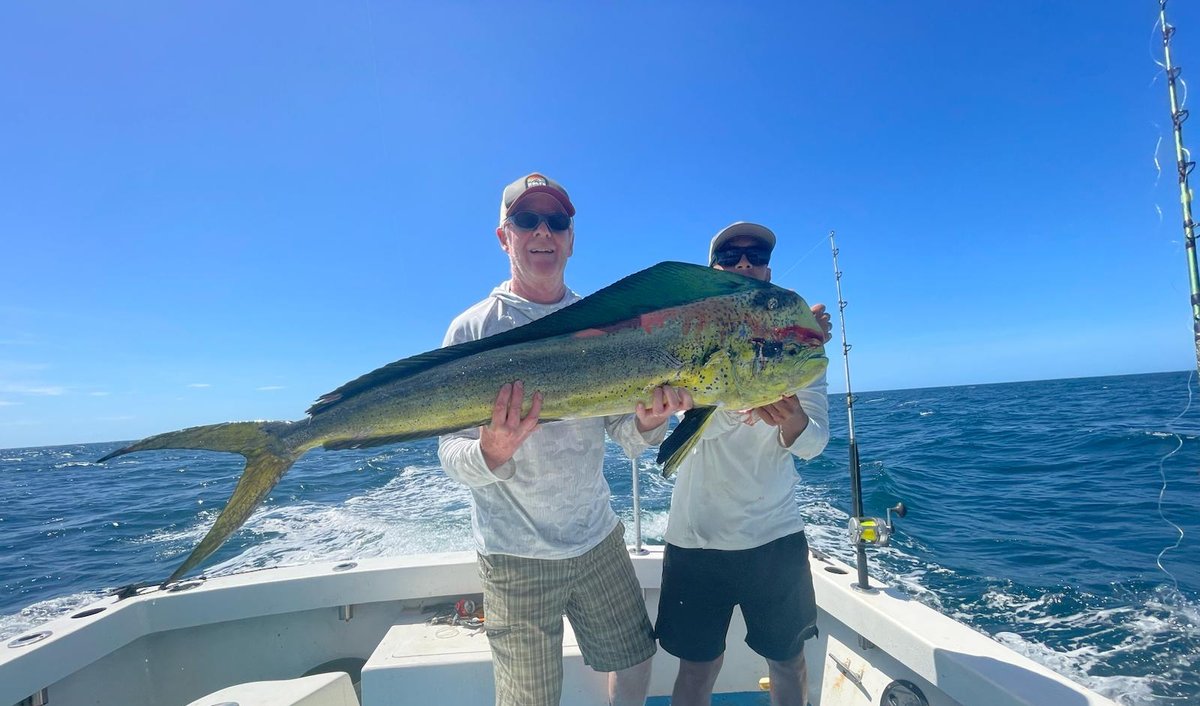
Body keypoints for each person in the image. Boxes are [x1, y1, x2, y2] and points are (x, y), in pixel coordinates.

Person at [437, 172, 692, 706]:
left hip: (596, 538)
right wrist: (491, 451)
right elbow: (450, 455)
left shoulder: (605, 325)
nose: (543, 232)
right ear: (504, 236)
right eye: (527, 220)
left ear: (572, 238)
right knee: (528, 699)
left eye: (557, 221)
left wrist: (650, 421)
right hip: (514, 556)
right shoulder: (472, 331)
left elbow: (627, 434)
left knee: (637, 661)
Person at [654, 222, 832, 706]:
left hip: (775, 536)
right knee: (697, 665)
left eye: (754, 256)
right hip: (696, 537)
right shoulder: (685, 335)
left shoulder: (798, 343)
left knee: (788, 661)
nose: (743, 265)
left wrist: (791, 419)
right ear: (713, 272)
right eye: (730, 258)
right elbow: (683, 437)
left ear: (768, 270)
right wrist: (738, 396)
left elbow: (815, 443)